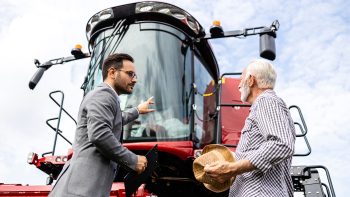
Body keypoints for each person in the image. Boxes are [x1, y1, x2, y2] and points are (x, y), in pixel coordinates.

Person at [49, 53, 154, 197]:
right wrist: (133, 160)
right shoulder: (103, 95)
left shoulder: (107, 97)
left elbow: (115, 119)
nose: (134, 80)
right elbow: (100, 135)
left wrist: (137, 110)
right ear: (112, 72)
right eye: (130, 74)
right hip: (79, 190)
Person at [204, 59, 296, 196]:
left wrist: (232, 168)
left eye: (241, 79)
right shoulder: (263, 105)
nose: (238, 85)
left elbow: (281, 144)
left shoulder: (266, 101)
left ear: (251, 80)